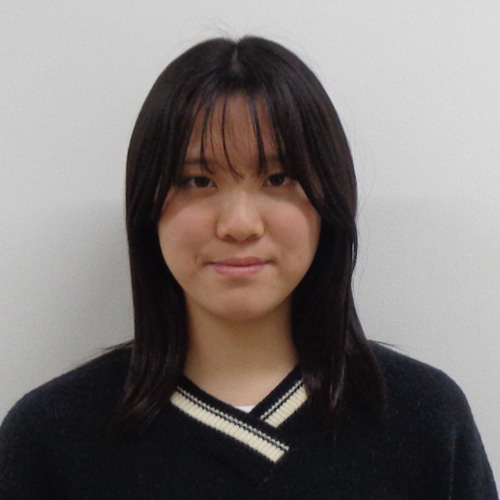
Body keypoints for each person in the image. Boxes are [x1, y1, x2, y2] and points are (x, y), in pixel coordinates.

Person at [0, 36, 497, 499]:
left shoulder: (425, 421)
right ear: (146, 205)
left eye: (277, 178)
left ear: (330, 200)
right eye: (198, 181)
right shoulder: (50, 439)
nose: (239, 224)